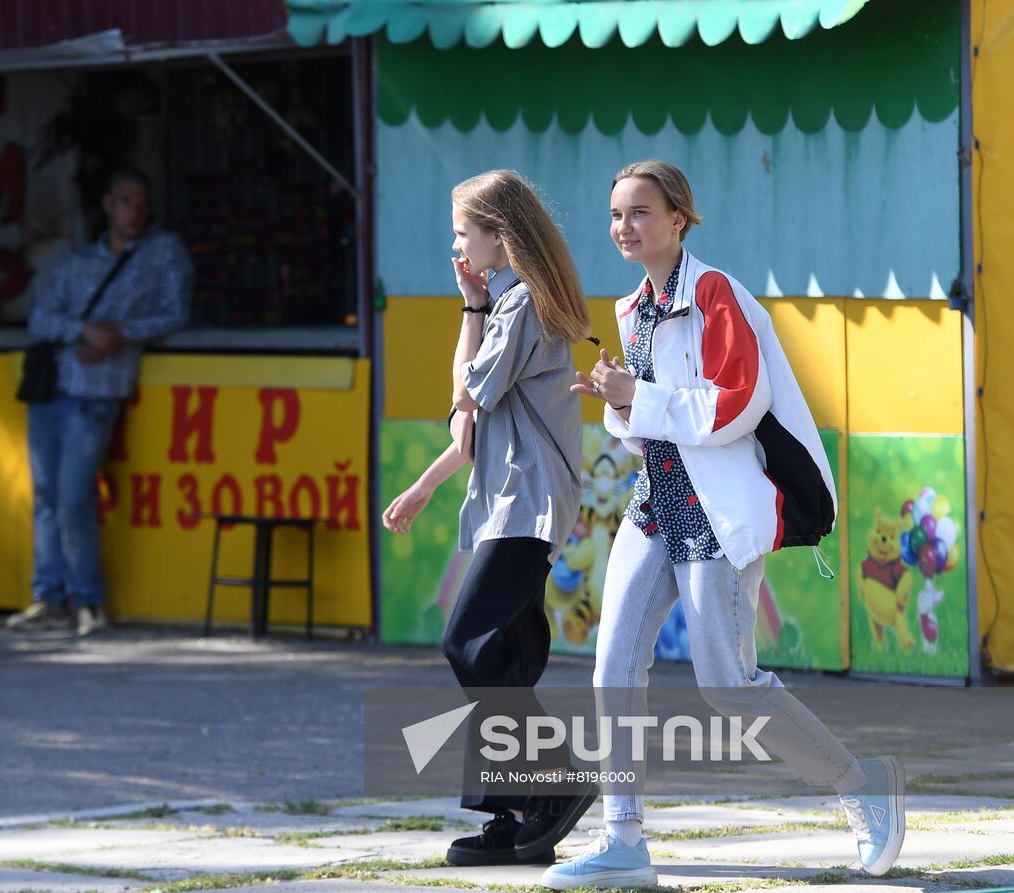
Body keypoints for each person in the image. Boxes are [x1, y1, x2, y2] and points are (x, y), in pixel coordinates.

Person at [541, 159, 904, 889]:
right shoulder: (630, 308)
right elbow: (651, 434)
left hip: (715, 514)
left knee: (729, 684)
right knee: (613, 666)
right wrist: (616, 402)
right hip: (655, 504)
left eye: (640, 212)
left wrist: (634, 395)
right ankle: (623, 839)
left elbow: (735, 403)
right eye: (616, 214)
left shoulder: (714, 292)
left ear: (680, 219)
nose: (624, 226)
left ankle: (862, 780)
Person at [382, 170, 595, 867]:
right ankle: (515, 814)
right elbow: (468, 435)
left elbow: (462, 401)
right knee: (506, 656)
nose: (456, 245)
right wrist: (419, 490)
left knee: (469, 643)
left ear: (499, 236)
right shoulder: (515, 303)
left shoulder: (521, 307)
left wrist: (470, 312)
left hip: (527, 502)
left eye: (462, 231)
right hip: (517, 500)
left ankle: (556, 786)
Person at [8, 169, 192, 637]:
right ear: (108, 205)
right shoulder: (78, 261)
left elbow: (176, 313)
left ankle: (89, 601)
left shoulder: (162, 254)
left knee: (73, 498)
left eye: (142, 201)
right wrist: (84, 331)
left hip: (99, 388)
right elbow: (41, 315)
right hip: (53, 386)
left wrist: (121, 335)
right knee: (46, 496)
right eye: (127, 200)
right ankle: (48, 597)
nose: (135, 210)